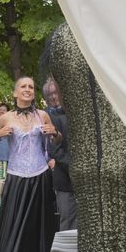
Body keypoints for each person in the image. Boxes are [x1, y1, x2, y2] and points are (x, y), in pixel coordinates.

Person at [0, 76, 64, 252]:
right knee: (16, 224)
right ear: (15, 93)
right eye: (23, 87)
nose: (27, 90)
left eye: (31, 87)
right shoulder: (5, 118)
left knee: (38, 225)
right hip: (17, 176)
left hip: (40, 175)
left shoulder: (42, 115)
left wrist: (55, 133)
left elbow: (58, 139)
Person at [42, 79, 77, 231]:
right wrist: (73, 165)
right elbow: (53, 149)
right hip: (64, 177)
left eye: (56, 93)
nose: (54, 97)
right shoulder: (48, 118)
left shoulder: (76, 114)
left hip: (82, 177)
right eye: (50, 95)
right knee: (67, 221)